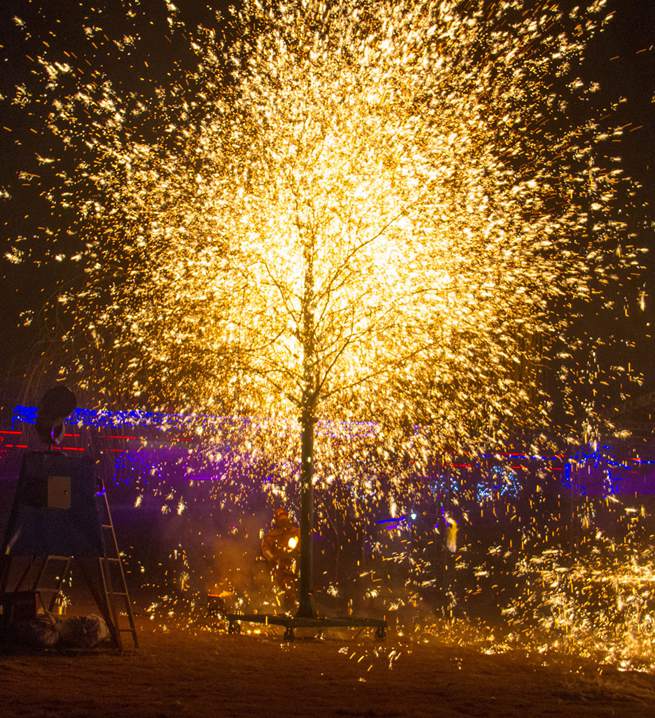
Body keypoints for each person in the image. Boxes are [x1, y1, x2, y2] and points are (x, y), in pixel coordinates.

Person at [260, 508, 299, 609]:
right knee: (282, 588)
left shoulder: (296, 532)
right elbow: (265, 549)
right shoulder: (271, 536)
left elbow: (303, 546)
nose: (283, 520)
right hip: (279, 566)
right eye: (281, 518)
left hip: (295, 565)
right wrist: (272, 558)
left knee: (293, 587)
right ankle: (284, 608)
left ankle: (294, 607)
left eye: (284, 517)